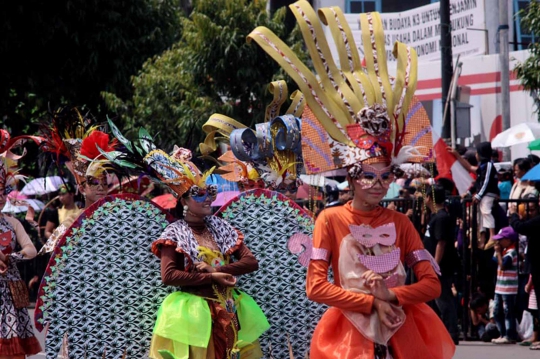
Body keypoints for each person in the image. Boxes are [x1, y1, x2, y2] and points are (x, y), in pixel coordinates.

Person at [130, 147, 271, 359]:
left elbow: (251, 262)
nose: (207, 199)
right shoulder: (174, 233)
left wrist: (217, 268)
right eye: (199, 194)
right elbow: (169, 276)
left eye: (210, 192)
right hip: (195, 316)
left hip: (231, 308)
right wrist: (211, 277)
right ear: (184, 201)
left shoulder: (219, 226)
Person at [0, 132, 42, 358]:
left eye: (2, 192)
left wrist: (11, 257)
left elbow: (31, 249)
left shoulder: (12, 222)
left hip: (10, 296)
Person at [424, 185, 460, 344]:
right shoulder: (435, 216)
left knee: (443, 299)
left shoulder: (442, 217)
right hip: (434, 264)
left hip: (441, 266)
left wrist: (435, 265)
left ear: (429, 198)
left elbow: (441, 243)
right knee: (436, 299)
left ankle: (451, 332)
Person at [491, 226, 520, 344]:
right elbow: (493, 262)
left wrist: (498, 253)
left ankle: (509, 334)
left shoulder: (511, 252)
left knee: (508, 311)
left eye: (501, 239)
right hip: (499, 287)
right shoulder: (503, 251)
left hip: (508, 288)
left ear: (508, 240)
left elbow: (503, 265)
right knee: (497, 311)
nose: (499, 242)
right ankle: (502, 333)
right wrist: (497, 251)